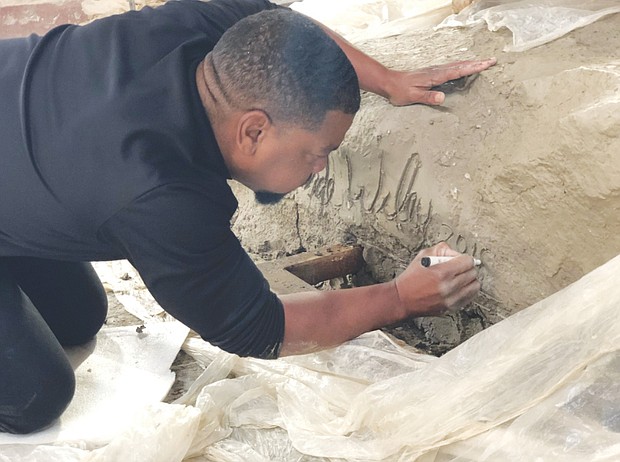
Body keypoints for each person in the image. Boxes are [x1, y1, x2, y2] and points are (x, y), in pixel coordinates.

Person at [0, 0, 493, 434]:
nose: (321, 168)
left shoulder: (202, 29)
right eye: (317, 152)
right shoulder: (161, 195)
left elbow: (286, 26)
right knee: (37, 397)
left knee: (80, 319)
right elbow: (258, 327)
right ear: (253, 131)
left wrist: (387, 80)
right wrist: (400, 298)